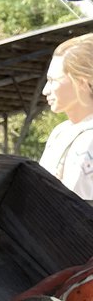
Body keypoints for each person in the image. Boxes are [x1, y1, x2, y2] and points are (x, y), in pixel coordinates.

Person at [39, 34, 93, 200]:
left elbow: (76, 207)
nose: (45, 90)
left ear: (82, 83)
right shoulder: (60, 131)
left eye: (53, 80)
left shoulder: (89, 139)